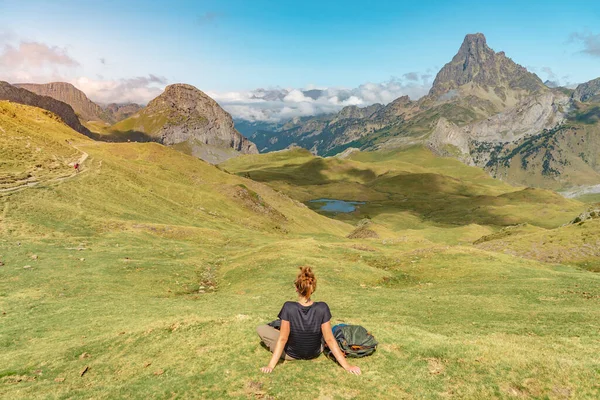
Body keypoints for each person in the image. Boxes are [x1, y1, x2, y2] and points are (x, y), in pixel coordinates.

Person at [256, 266, 362, 375]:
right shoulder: (323, 307)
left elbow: (283, 339)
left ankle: (280, 331)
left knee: (261, 328)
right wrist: (347, 366)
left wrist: (270, 366)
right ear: (312, 289)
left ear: (296, 288)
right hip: (315, 352)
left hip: (291, 354)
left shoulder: (288, 307)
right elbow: (329, 339)